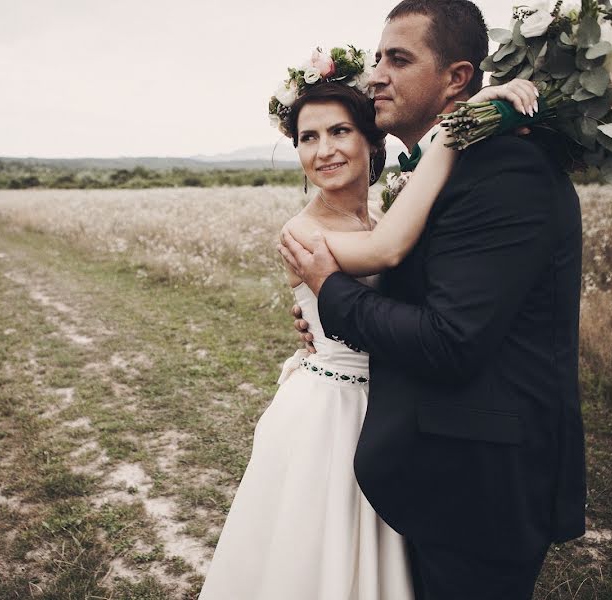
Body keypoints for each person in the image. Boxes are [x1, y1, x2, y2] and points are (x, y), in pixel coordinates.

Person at [198, 39, 539, 599]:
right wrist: (458, 130)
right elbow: (386, 253)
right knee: (320, 554)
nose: (323, 150)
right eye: (307, 137)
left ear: (369, 137)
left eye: (338, 131)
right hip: (330, 412)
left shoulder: (380, 210)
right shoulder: (301, 233)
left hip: (391, 404)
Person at [279, 1, 587, 599]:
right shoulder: (440, 171)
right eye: (376, 59)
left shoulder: (506, 171)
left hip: (481, 484)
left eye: (398, 59)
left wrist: (334, 296)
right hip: (433, 467)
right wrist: (322, 313)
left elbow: (451, 339)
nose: (376, 76)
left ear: (457, 79)